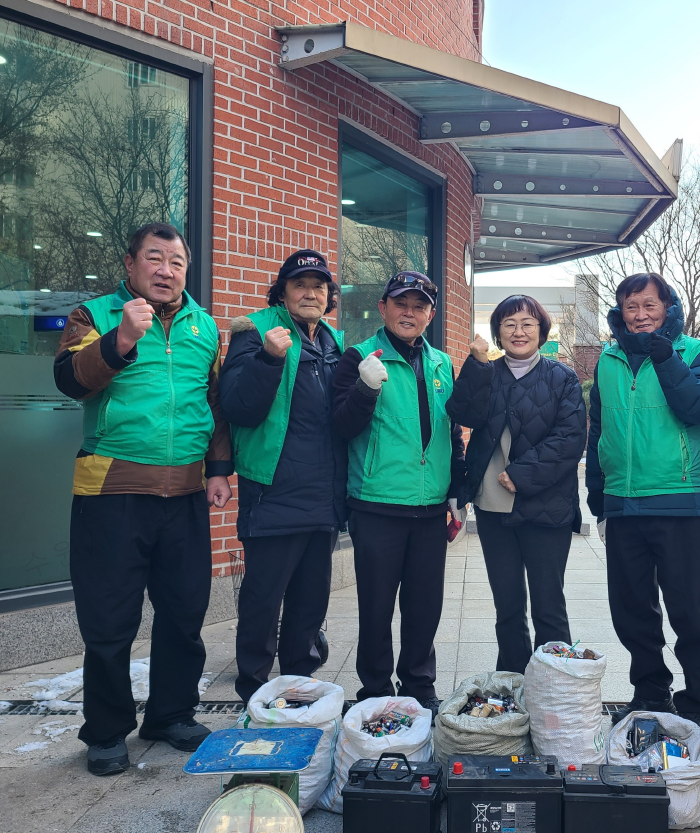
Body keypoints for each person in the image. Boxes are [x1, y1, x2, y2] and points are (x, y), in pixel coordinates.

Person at [53, 222, 232, 775]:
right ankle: (106, 730)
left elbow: (215, 407)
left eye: (176, 262)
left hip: (183, 493)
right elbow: (69, 380)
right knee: (109, 620)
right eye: (154, 259)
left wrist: (218, 470)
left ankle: (171, 713)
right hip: (113, 491)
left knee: (183, 612)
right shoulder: (95, 315)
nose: (165, 270)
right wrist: (121, 340)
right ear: (130, 265)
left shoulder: (205, 327)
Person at [585, 273, 700, 730]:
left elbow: (699, 408)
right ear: (619, 312)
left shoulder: (696, 352)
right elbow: (598, 431)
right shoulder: (608, 358)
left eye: (649, 305)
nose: (640, 315)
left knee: (689, 608)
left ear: (668, 307)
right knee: (631, 609)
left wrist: (666, 360)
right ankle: (650, 692)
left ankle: (699, 697)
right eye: (631, 307)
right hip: (623, 503)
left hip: (678, 498)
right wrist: (598, 494)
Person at [332, 272, 466, 713]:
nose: (410, 312)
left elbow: (451, 431)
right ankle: (374, 689)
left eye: (420, 305)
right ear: (384, 307)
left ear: (430, 314)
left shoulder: (442, 363)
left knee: (425, 607)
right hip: (378, 504)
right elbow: (340, 427)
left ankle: (419, 685)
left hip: (430, 508)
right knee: (375, 607)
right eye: (401, 303)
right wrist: (366, 388)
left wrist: (455, 490)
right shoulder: (357, 359)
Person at [219, 250, 346, 705]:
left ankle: (300, 687)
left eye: (319, 286)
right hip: (273, 494)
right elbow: (238, 408)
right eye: (299, 284)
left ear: (329, 296)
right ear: (282, 292)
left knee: (310, 603)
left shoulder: (333, 342)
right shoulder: (256, 333)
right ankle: (253, 693)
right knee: (262, 601)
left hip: (323, 497)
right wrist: (270, 360)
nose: (310, 292)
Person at [446, 295, 586, 673]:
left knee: (548, 606)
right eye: (509, 324)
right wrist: (475, 366)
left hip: (546, 507)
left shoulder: (563, 377)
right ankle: (513, 685)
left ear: (541, 331)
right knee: (507, 606)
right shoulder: (486, 372)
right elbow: (461, 413)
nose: (518, 331)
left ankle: (556, 690)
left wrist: (522, 474)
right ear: (497, 333)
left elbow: (570, 438)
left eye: (527, 323)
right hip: (493, 508)